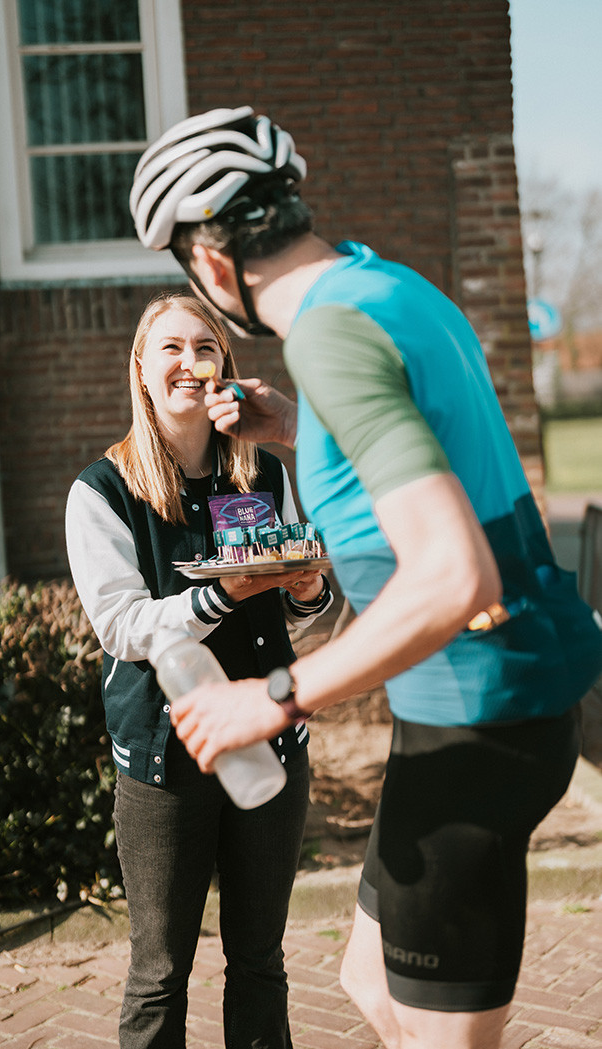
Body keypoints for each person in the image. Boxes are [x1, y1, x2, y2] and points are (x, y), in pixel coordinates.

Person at [128, 107, 602, 1049]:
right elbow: (436, 458)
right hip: (478, 703)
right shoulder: (388, 287)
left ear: (211, 266)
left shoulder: (327, 338)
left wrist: (272, 697)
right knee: (363, 975)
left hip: (482, 718)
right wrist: (302, 429)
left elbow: (451, 574)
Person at [65, 291, 332, 1049]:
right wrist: (219, 593)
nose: (190, 361)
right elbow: (120, 627)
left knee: (259, 959)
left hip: (270, 742)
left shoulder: (262, 473)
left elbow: (289, 608)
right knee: (158, 971)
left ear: (225, 365)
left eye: (206, 347)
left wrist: (307, 588)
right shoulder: (101, 491)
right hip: (164, 754)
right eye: (172, 348)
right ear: (141, 370)